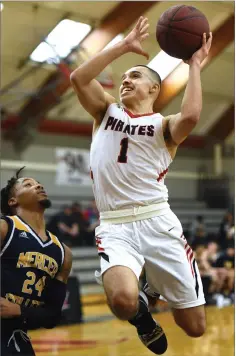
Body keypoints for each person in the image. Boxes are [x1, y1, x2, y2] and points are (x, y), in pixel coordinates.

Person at [70, 16, 212, 355]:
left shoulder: (163, 127)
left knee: (195, 328)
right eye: (122, 78)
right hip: (116, 225)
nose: (125, 80)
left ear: (153, 88)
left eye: (134, 75)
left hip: (158, 222)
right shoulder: (105, 112)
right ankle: (143, 319)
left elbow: (191, 116)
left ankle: (151, 285)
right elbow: (78, 77)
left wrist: (194, 66)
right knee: (121, 301)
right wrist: (121, 45)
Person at [0, 167, 72, 355]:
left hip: (16, 335)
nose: (38, 185)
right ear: (12, 201)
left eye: (38, 183)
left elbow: (52, 316)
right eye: (28, 184)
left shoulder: (63, 252)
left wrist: (19, 311)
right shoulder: (5, 228)